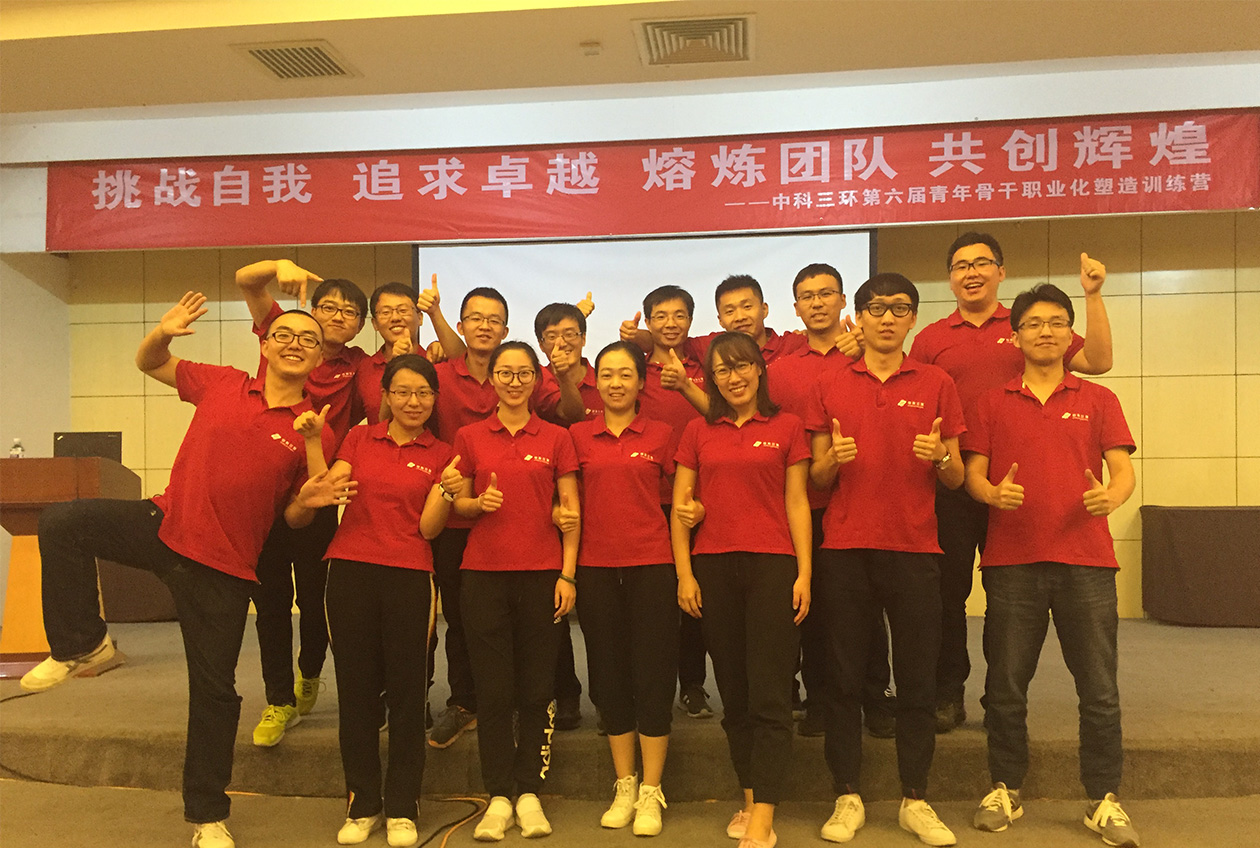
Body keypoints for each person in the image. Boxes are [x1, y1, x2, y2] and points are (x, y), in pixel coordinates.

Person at [21, 294, 351, 848]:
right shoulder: (223, 383)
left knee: (216, 694)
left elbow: (296, 516)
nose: (295, 344)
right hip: (165, 523)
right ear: (265, 344)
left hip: (225, 568)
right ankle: (83, 644)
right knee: (62, 522)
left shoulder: (312, 427)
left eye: (308, 340)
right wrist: (163, 331)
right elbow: (150, 362)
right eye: (285, 335)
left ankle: (208, 816)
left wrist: (309, 500)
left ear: (320, 359)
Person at [908, 234, 1113, 733]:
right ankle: (947, 692)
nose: (971, 272)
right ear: (950, 278)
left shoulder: (1027, 324)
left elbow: (1099, 362)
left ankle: (998, 696)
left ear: (1001, 272)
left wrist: (1092, 296)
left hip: (1019, 491)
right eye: (961, 265)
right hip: (955, 482)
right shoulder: (932, 338)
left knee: (1006, 602)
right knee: (948, 595)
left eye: (982, 263)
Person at [962, 284, 1137, 847]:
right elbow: (974, 474)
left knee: (1099, 688)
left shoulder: (1099, 399)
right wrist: (992, 494)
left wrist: (1111, 497)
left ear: (1070, 334)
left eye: (1057, 322)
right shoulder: (991, 402)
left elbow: (1123, 472)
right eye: (1034, 323)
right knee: (1006, 686)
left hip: (1087, 561)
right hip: (1012, 563)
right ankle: (1005, 787)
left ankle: (1104, 798)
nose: (1046, 331)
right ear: (1015, 335)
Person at [807, 273, 965, 846]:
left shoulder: (937, 382)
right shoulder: (829, 382)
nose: (887, 318)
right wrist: (834, 460)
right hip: (846, 549)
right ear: (860, 317)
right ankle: (846, 794)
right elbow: (816, 475)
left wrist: (940, 457)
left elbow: (956, 476)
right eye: (876, 308)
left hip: (915, 548)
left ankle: (915, 798)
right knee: (844, 679)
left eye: (900, 308)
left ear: (912, 319)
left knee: (917, 679)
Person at [297, 354, 462, 848]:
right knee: (357, 692)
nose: (413, 401)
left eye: (423, 393)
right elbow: (327, 490)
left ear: (435, 399)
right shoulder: (358, 439)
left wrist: (446, 491)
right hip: (350, 572)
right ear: (386, 396)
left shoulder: (443, 454)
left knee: (409, 694)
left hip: (410, 575)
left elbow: (429, 530)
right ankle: (363, 803)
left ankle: (403, 806)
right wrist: (313, 442)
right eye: (403, 392)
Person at [672, 331, 812, 848]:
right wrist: (685, 573)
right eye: (722, 370)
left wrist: (805, 572)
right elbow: (682, 509)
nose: (734, 377)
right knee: (733, 692)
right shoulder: (697, 431)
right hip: (713, 568)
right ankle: (750, 797)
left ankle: (764, 815)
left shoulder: (788, 427)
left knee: (770, 693)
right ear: (712, 379)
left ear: (759, 369)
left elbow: (797, 502)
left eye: (742, 366)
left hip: (773, 567)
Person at [235, 259, 371, 747]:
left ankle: (309, 672)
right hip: (263, 495)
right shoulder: (286, 335)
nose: (337, 317)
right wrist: (277, 266)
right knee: (270, 603)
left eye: (349, 312)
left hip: (317, 493)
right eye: (328, 307)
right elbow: (247, 282)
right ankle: (279, 700)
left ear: (360, 325)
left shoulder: (359, 365)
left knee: (316, 600)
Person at [451, 341, 580, 841]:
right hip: (483, 575)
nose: (513, 381)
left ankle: (529, 791)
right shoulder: (469, 436)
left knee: (536, 689)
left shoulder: (556, 437)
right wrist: (476, 504)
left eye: (523, 373)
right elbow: (459, 505)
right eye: (504, 372)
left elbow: (570, 512)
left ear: (536, 380)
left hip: (542, 575)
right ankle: (499, 795)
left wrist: (567, 575)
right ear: (493, 379)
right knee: (494, 691)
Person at [765, 263, 890, 739]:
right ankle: (820, 700)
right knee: (811, 610)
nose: (817, 303)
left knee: (866, 608)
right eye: (807, 296)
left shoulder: (867, 356)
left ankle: (876, 697)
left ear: (842, 301)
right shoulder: (779, 371)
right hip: (802, 507)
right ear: (796, 307)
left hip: (861, 502)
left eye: (826, 294)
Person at [570, 341, 678, 836]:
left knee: (653, 674)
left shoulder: (662, 435)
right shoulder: (576, 435)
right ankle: (625, 783)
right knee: (608, 673)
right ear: (596, 382)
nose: (615, 383)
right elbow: (565, 499)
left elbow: (685, 496)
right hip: (594, 568)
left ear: (641, 382)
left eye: (625, 374)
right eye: (607, 374)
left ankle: (652, 790)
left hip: (652, 565)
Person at [622, 285, 715, 720]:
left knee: (694, 595)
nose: (670, 323)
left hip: (700, 498)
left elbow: (724, 416)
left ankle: (692, 684)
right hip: (646, 499)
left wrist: (685, 386)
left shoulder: (707, 364)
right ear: (648, 321)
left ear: (691, 321)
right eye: (660, 316)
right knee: (651, 602)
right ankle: (642, 687)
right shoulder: (634, 370)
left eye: (679, 315)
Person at [425, 286, 512, 749]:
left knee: (509, 616)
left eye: (494, 319)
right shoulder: (437, 375)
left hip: (509, 515)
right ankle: (463, 702)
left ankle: (509, 700)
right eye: (475, 318)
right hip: (454, 518)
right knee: (459, 617)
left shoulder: (517, 374)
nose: (484, 326)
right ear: (460, 326)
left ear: (505, 330)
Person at [353, 275, 466, 424]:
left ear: (420, 318)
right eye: (385, 312)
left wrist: (434, 312)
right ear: (374, 323)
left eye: (403, 310)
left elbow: (464, 360)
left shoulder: (436, 359)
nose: (395, 318)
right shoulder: (365, 368)